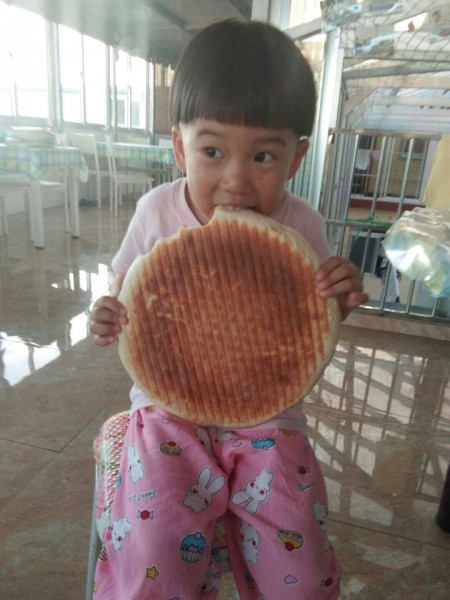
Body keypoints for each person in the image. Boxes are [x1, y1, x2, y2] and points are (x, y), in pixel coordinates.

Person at [89, 19, 368, 599]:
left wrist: (340, 297)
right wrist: (107, 315)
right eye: (212, 151)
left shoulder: (302, 225)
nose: (236, 181)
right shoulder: (156, 211)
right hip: (167, 410)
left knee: (299, 553)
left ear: (296, 158)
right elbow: (124, 295)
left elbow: (314, 323)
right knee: (156, 544)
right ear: (180, 147)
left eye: (263, 156)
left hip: (269, 417)